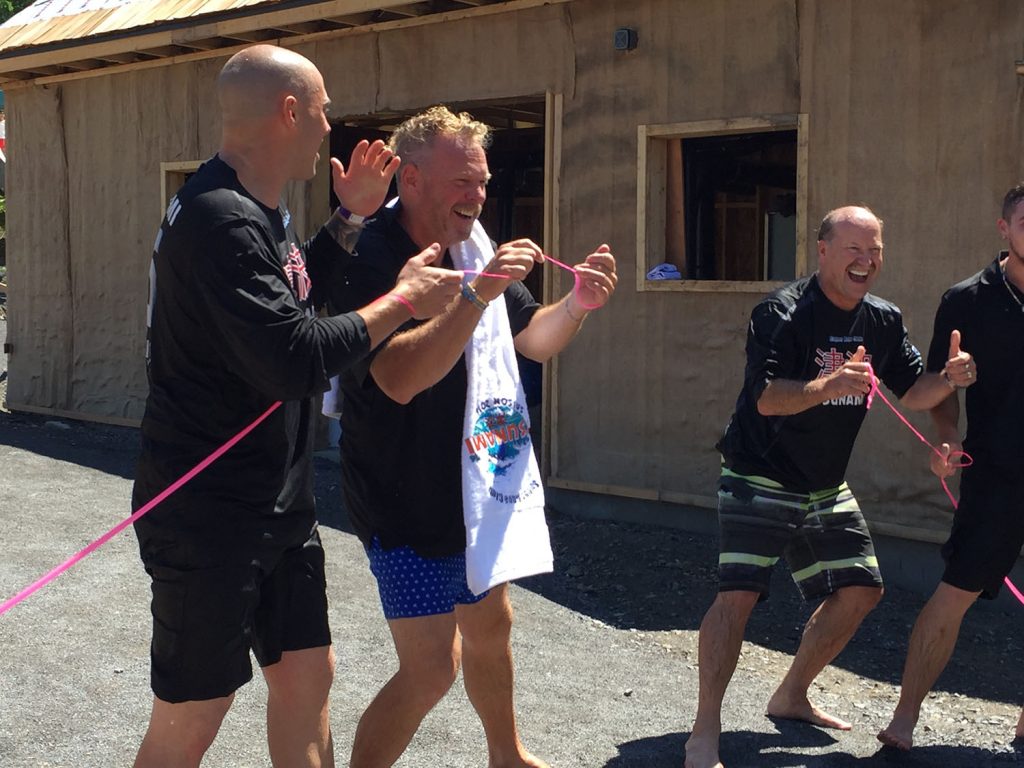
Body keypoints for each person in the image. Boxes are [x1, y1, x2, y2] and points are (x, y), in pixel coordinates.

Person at [130, 45, 461, 768]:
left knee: (309, 679)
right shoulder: (221, 219)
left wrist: (347, 223)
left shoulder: (257, 210)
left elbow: (294, 300)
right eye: (322, 110)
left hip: (276, 504)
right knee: (195, 712)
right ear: (288, 110)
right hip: (207, 511)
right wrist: (403, 299)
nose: (327, 127)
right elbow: (297, 358)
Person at [329, 105, 617, 768]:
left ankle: (506, 757)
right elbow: (399, 377)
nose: (477, 194)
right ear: (413, 179)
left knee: (492, 628)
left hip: (477, 487)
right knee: (431, 670)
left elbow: (530, 341)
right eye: (462, 181)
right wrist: (473, 298)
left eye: (482, 180)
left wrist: (576, 306)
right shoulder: (370, 255)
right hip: (401, 498)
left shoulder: (475, 248)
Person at [684, 205, 974, 768]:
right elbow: (766, 398)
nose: (866, 262)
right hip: (758, 472)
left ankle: (791, 694)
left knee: (862, 590)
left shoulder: (884, 320)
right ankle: (704, 730)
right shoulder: (782, 312)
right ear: (822, 251)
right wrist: (828, 384)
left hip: (824, 483)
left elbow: (915, 390)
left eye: (875, 250)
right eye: (853, 250)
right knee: (737, 597)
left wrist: (950, 378)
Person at [877, 186, 1024, 752]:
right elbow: (941, 389)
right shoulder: (967, 300)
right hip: (997, 472)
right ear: (1003, 228)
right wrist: (946, 439)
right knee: (955, 592)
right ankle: (904, 719)